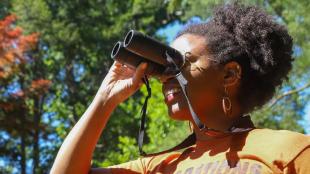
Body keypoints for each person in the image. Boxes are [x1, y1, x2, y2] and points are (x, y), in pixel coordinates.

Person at [50, 3, 310, 174]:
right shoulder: (158, 166)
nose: (166, 77)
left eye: (179, 62)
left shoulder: (288, 150)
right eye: (163, 66)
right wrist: (105, 97)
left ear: (230, 74)